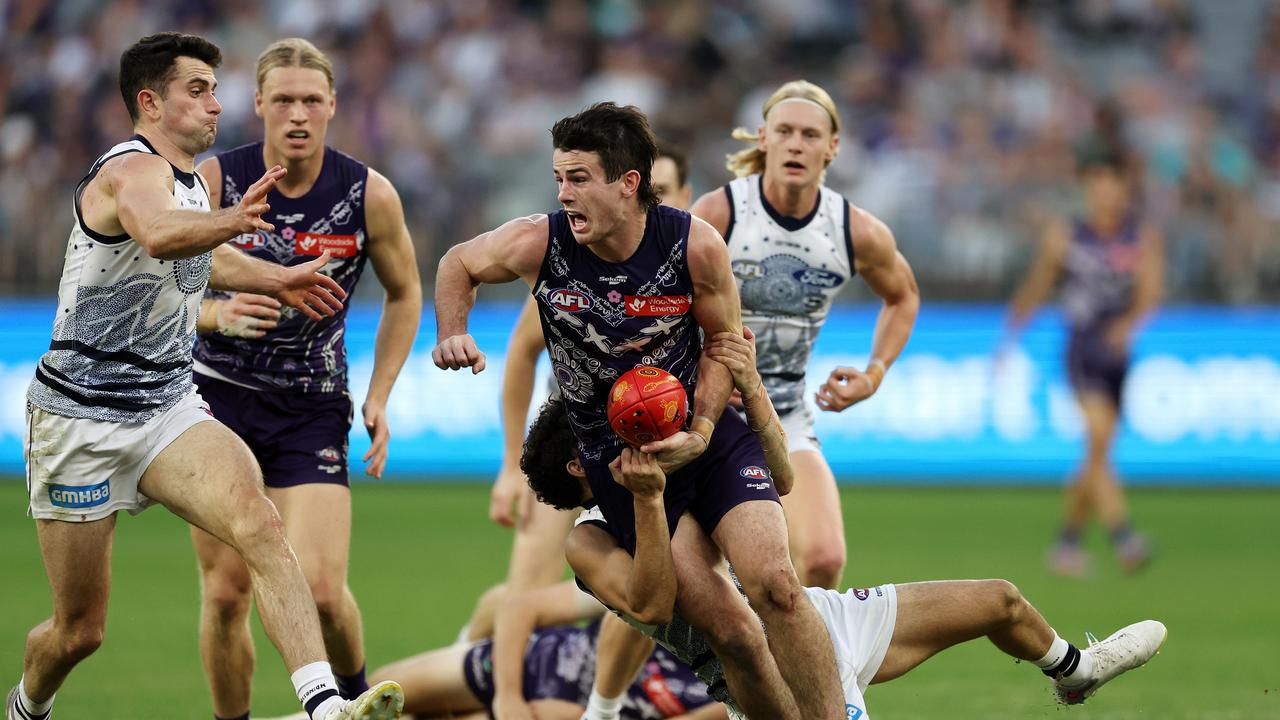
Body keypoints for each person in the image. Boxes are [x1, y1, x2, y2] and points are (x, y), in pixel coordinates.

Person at [11, 32, 402, 720]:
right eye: (199, 90)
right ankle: (27, 704)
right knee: (79, 633)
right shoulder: (129, 172)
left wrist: (275, 277)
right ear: (150, 103)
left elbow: (198, 262)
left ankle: (323, 704)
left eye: (216, 91)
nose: (215, 106)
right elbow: (161, 234)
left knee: (258, 522)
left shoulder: (193, 183)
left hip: (168, 409)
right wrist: (235, 222)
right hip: (78, 419)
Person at [432, 103, 845, 719]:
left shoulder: (695, 246)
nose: (564, 194)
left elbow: (723, 350)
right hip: (621, 462)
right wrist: (452, 329)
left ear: (628, 183)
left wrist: (702, 430)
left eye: (579, 179)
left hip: (707, 434)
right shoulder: (536, 242)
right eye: (558, 179)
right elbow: (457, 262)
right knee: (731, 631)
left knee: (780, 588)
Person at [521, 327, 1168, 717]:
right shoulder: (592, 539)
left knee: (1001, 601)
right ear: (582, 466)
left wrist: (751, 398)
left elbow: (781, 481)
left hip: (813, 618)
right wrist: (646, 499)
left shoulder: (682, 457)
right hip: (761, 678)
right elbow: (655, 603)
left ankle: (1073, 673)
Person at [186, 38, 421, 720]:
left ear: (332, 107)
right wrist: (217, 313)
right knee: (228, 592)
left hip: (311, 405)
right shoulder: (215, 183)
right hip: (214, 404)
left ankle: (353, 693)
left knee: (318, 592)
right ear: (257, 104)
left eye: (311, 100)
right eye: (283, 99)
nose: (297, 114)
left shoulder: (367, 194)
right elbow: (157, 288)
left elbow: (405, 293)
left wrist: (379, 394)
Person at [469, 143, 694, 720]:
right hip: (567, 453)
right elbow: (521, 354)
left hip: (643, 456)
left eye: (666, 195)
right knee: (528, 589)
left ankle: (597, 702)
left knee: (644, 586)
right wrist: (509, 465)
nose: (656, 203)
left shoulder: (689, 260)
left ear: (683, 200)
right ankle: (473, 670)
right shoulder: (573, 259)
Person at [689, 80, 920, 589]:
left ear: (833, 147)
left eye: (811, 134)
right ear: (763, 139)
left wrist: (874, 373)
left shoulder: (854, 231)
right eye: (786, 132)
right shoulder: (719, 213)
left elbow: (903, 296)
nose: (797, 144)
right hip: (702, 410)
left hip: (784, 413)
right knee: (690, 579)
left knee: (822, 560)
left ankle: (798, 668)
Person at [1003, 151, 1164, 577]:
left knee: (1098, 452)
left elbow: (1150, 293)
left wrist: (1129, 325)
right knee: (1097, 436)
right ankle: (1123, 536)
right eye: (1096, 185)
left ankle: (1068, 542)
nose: (1104, 194)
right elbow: (1037, 286)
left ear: (1123, 190)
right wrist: (1008, 340)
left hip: (1118, 353)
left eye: (1111, 185)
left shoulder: (1139, 237)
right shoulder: (1067, 235)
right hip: (1082, 348)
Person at [365, 591, 717, 720]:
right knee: (374, 692)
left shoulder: (742, 676)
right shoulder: (665, 585)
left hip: (587, 713)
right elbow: (519, 608)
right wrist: (509, 699)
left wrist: (576, 714)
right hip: (533, 664)